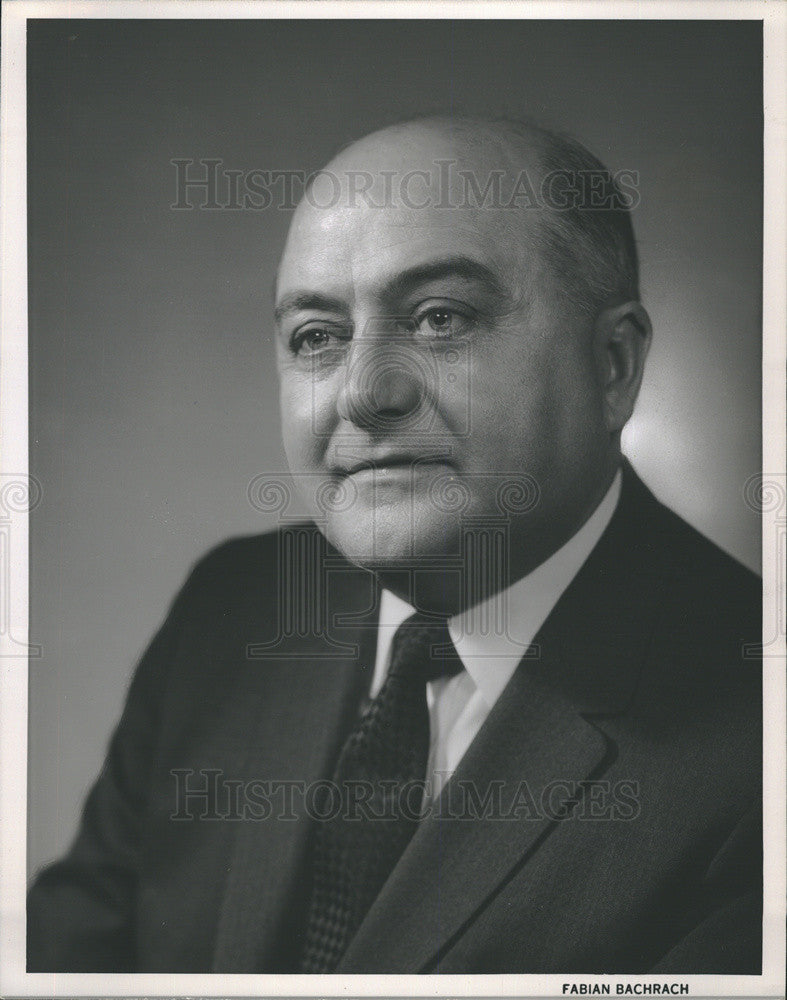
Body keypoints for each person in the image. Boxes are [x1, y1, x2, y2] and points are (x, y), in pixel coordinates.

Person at [27, 117, 762, 974]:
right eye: (317, 337)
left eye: (440, 318)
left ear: (610, 366)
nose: (365, 393)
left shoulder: (757, 748)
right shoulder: (231, 608)